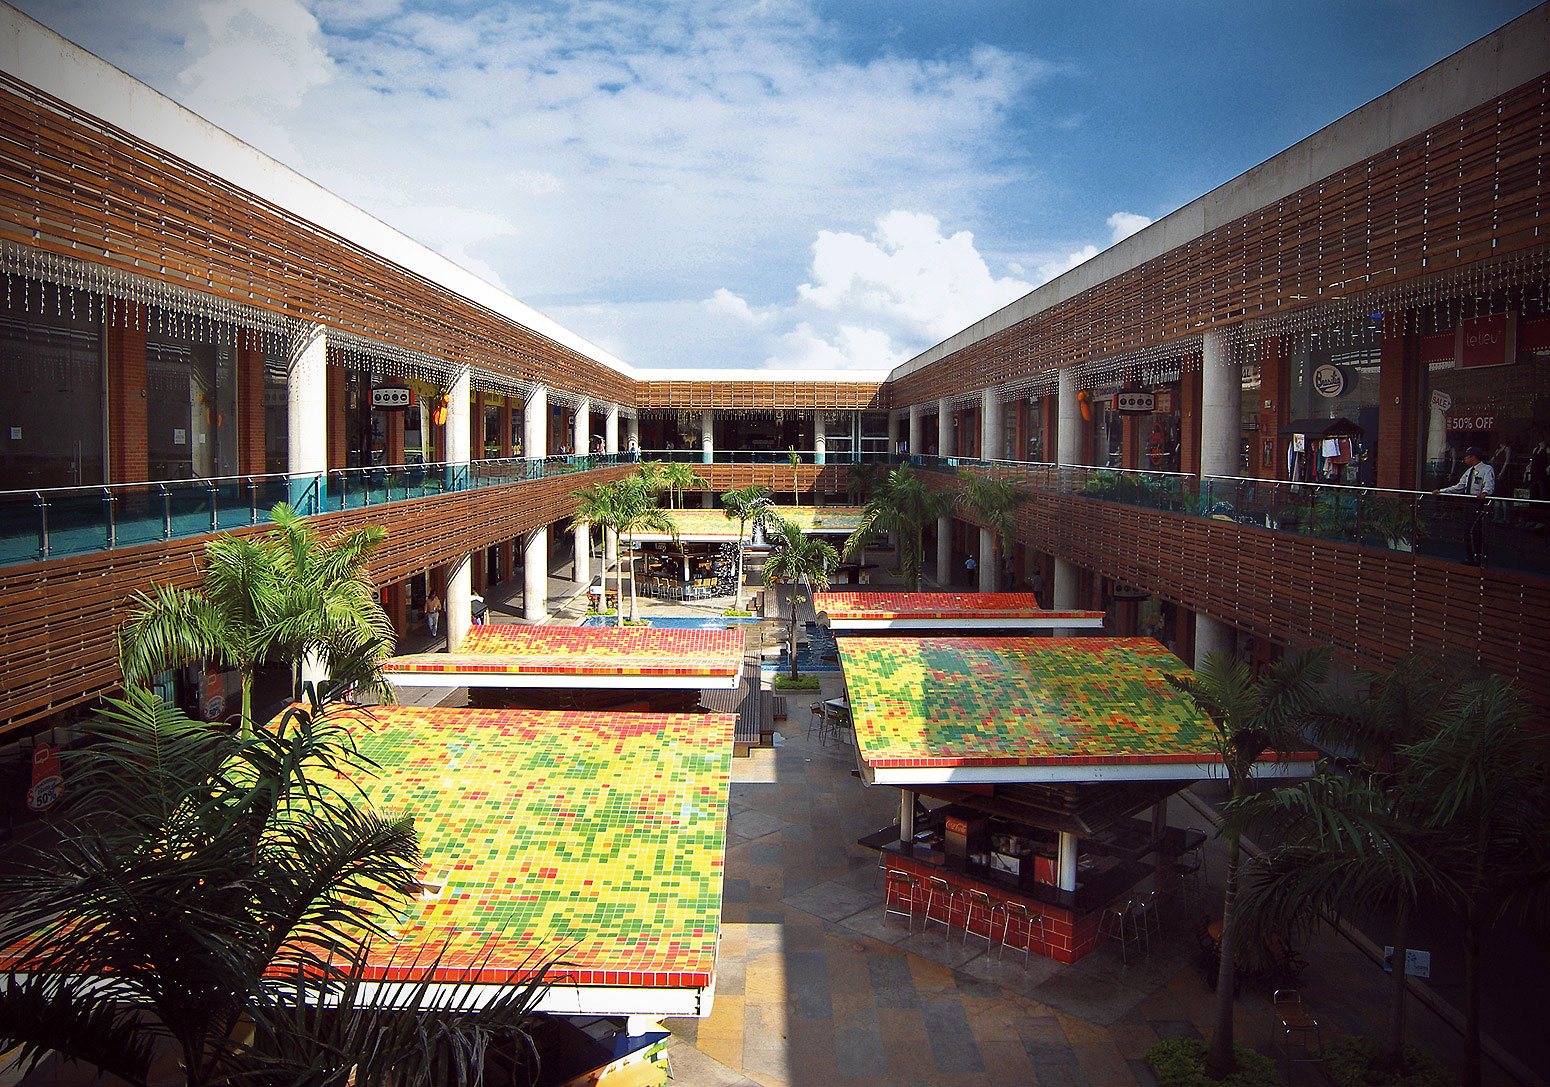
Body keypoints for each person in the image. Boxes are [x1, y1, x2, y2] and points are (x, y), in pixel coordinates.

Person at [1433, 445, 1495, 566]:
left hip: (1479, 503)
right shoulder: (1469, 471)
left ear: (1473, 457)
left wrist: (1485, 493)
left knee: (1474, 530)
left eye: (1467, 457)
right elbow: (1459, 487)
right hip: (1469, 503)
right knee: (1467, 530)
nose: (1465, 459)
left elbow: (1489, 485)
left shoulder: (1487, 469)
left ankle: (1478, 558)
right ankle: (1470, 557)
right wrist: (1441, 491)